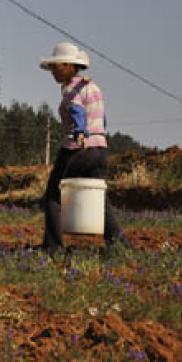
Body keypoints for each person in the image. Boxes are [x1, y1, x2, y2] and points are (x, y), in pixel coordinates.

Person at [39, 42, 127, 253]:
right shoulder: (93, 87)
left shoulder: (71, 89)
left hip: (77, 148)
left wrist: (80, 132)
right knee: (100, 199)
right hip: (99, 149)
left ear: (70, 65)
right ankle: (119, 245)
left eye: (56, 66)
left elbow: (78, 112)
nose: (53, 71)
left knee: (52, 196)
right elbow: (102, 119)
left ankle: (52, 247)